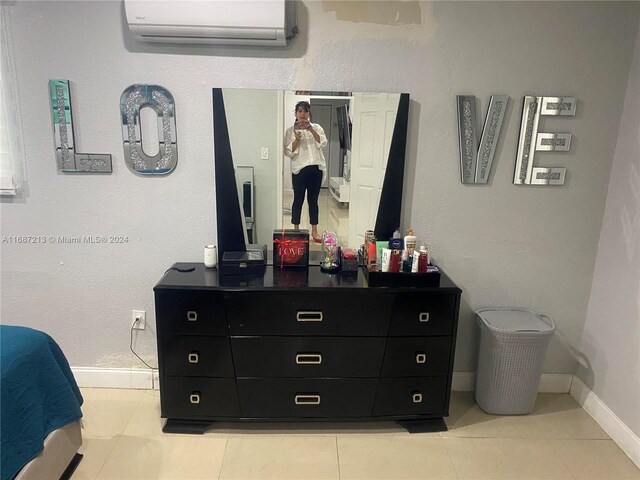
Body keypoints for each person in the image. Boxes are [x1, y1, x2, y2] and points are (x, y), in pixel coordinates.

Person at [284, 101, 328, 243]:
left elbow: (322, 143)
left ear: (309, 113)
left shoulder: (317, 128)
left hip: (316, 168)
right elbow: (288, 152)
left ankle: (314, 231)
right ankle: (296, 230)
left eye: (305, 111)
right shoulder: (290, 131)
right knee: (298, 200)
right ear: (296, 113)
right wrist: (296, 140)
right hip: (299, 170)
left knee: (313, 201)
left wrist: (311, 130)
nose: (303, 114)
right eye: (300, 111)